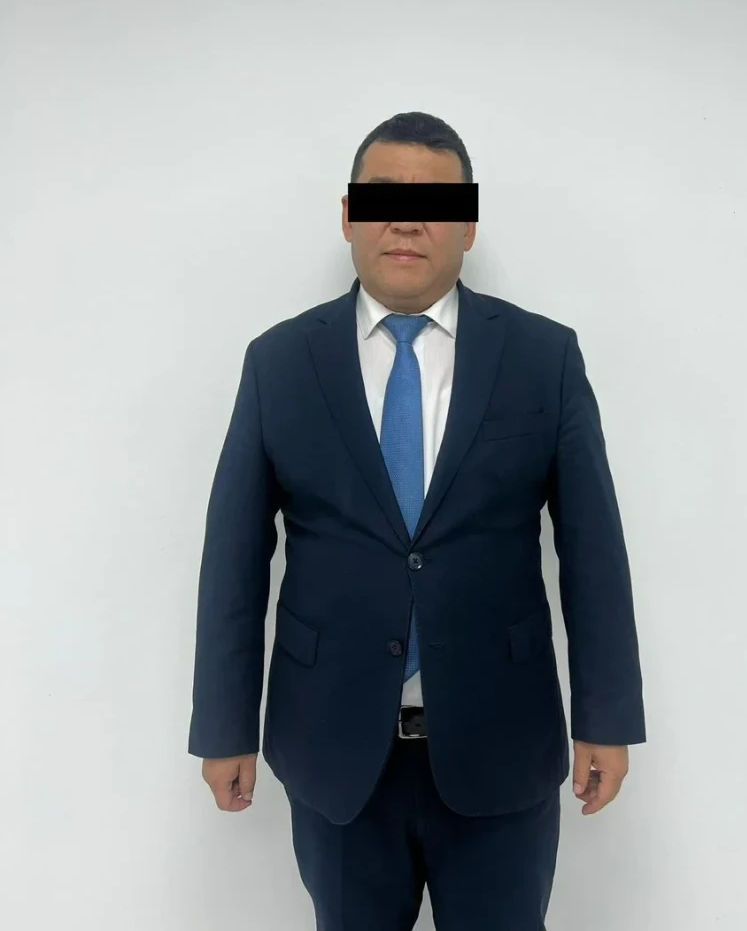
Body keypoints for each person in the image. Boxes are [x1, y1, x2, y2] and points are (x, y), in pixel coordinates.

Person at [188, 111, 646, 930]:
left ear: (469, 223)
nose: (406, 221)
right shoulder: (280, 363)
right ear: (348, 215)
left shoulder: (543, 357)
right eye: (382, 199)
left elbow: (594, 552)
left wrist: (606, 717)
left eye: (434, 202)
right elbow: (233, 559)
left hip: (502, 744)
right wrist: (225, 726)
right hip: (334, 753)